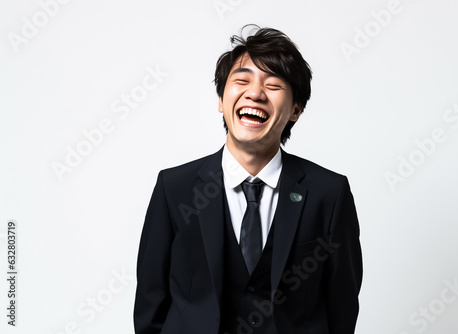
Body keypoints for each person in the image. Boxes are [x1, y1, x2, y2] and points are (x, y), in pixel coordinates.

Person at [133, 25, 362, 334]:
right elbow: (150, 304)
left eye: (273, 85)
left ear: (296, 109)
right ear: (220, 100)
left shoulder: (329, 194)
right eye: (241, 80)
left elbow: (341, 307)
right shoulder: (174, 188)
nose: (255, 93)